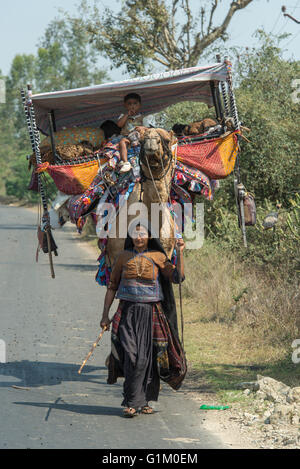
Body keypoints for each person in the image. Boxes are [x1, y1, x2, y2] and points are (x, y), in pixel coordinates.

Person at [100, 223, 187, 418]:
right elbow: (112, 287)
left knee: (148, 358)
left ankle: (142, 401)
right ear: (130, 236)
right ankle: (133, 400)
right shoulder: (123, 257)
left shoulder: (158, 257)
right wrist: (105, 315)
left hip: (151, 312)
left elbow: (177, 277)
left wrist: (180, 253)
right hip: (127, 311)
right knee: (131, 356)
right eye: (135, 233)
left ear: (149, 236)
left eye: (143, 233)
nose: (139, 237)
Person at [117, 93, 144, 173]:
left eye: (135, 103)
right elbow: (119, 125)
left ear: (139, 105)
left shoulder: (142, 117)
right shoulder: (123, 116)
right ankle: (126, 163)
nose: (132, 106)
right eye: (129, 104)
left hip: (138, 138)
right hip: (127, 137)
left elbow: (148, 128)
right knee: (122, 142)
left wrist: (143, 128)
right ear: (125, 105)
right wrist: (127, 115)